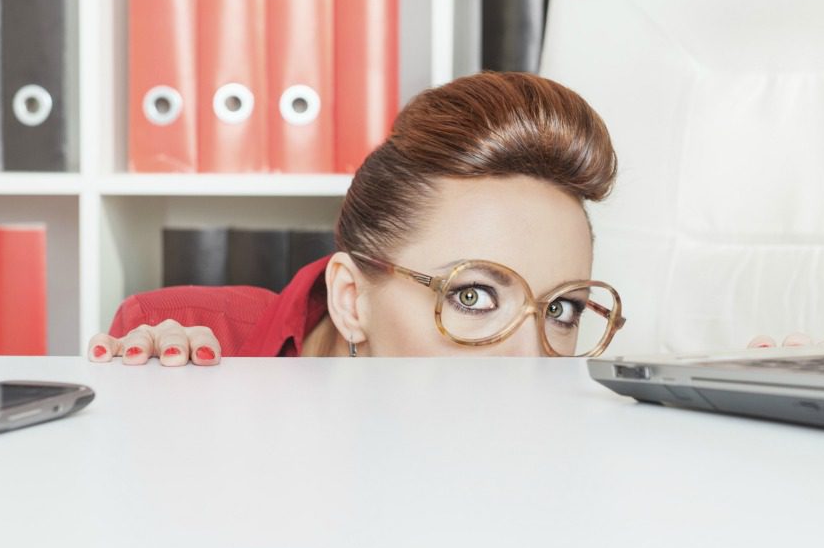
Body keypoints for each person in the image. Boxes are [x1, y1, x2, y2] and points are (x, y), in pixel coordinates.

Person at [88, 70, 627, 365]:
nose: (531, 364)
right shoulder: (195, 342)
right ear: (350, 299)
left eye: (561, 309)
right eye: (472, 296)